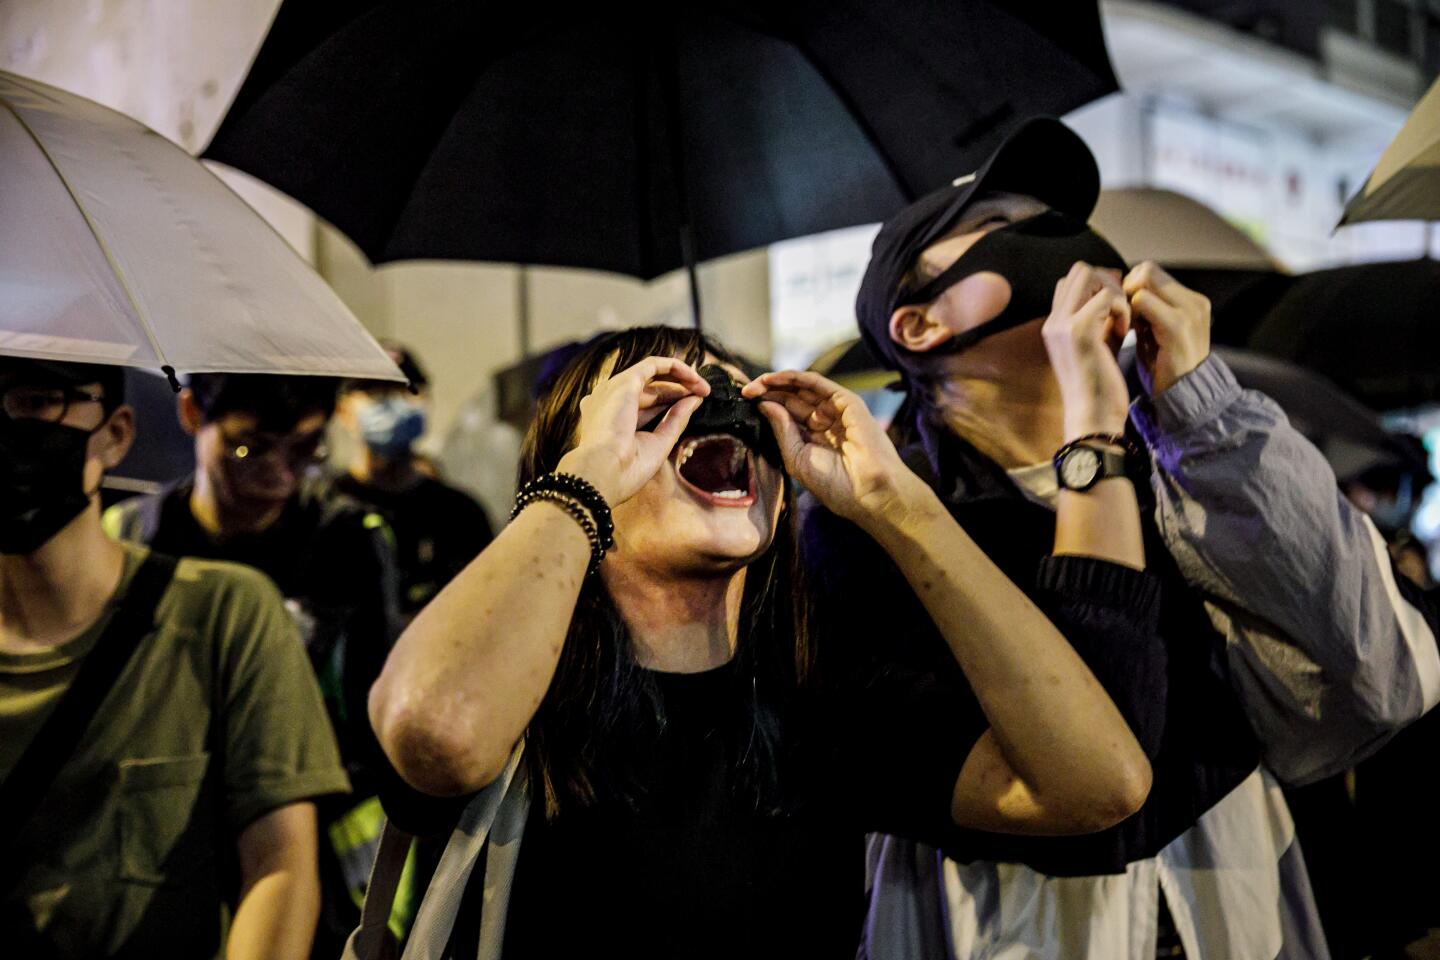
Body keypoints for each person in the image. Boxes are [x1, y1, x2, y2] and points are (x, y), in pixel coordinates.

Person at [829, 115, 1440, 959]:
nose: (1064, 237)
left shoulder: (1196, 471)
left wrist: (1204, 410)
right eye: (1006, 226)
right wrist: (1092, 431)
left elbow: (1382, 679)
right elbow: (1094, 792)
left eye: (1065, 214)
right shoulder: (881, 530)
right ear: (921, 326)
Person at [366, 325, 1161, 958]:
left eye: (732, 394)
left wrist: (897, 507)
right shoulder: (512, 686)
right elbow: (436, 733)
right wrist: (585, 482)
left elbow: (1098, 784)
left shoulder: (826, 707)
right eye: (656, 402)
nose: (714, 407)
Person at [0, 357, 349, 959]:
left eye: (36, 401)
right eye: (250, 449)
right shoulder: (144, 528)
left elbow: (280, 865)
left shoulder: (228, 608)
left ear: (116, 433)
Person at [102, 372, 403, 957]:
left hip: (318, 839)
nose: (280, 474)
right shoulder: (131, 537)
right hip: (158, 837)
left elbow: (378, 716)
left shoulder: (348, 540)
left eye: (305, 449)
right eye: (250, 447)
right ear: (192, 414)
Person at [335, 344, 494, 621]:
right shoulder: (328, 510)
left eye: (407, 390)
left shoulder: (461, 514)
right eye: (375, 392)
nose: (392, 402)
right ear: (343, 411)